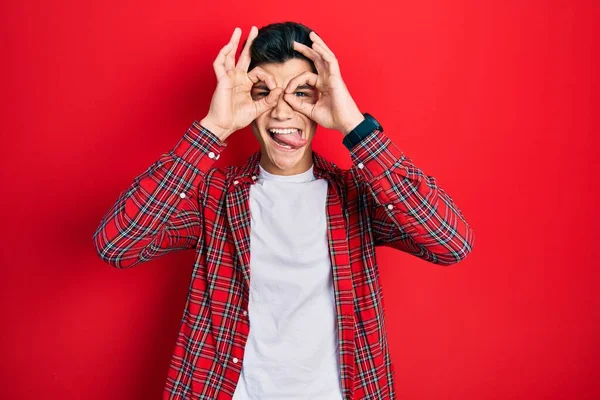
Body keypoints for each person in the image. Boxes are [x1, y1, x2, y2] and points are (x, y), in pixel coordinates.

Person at [93, 21, 475, 400]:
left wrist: (354, 126)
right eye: (264, 93)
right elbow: (117, 245)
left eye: (301, 93)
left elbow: (450, 242)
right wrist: (213, 128)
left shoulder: (356, 195)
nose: (280, 112)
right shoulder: (214, 197)